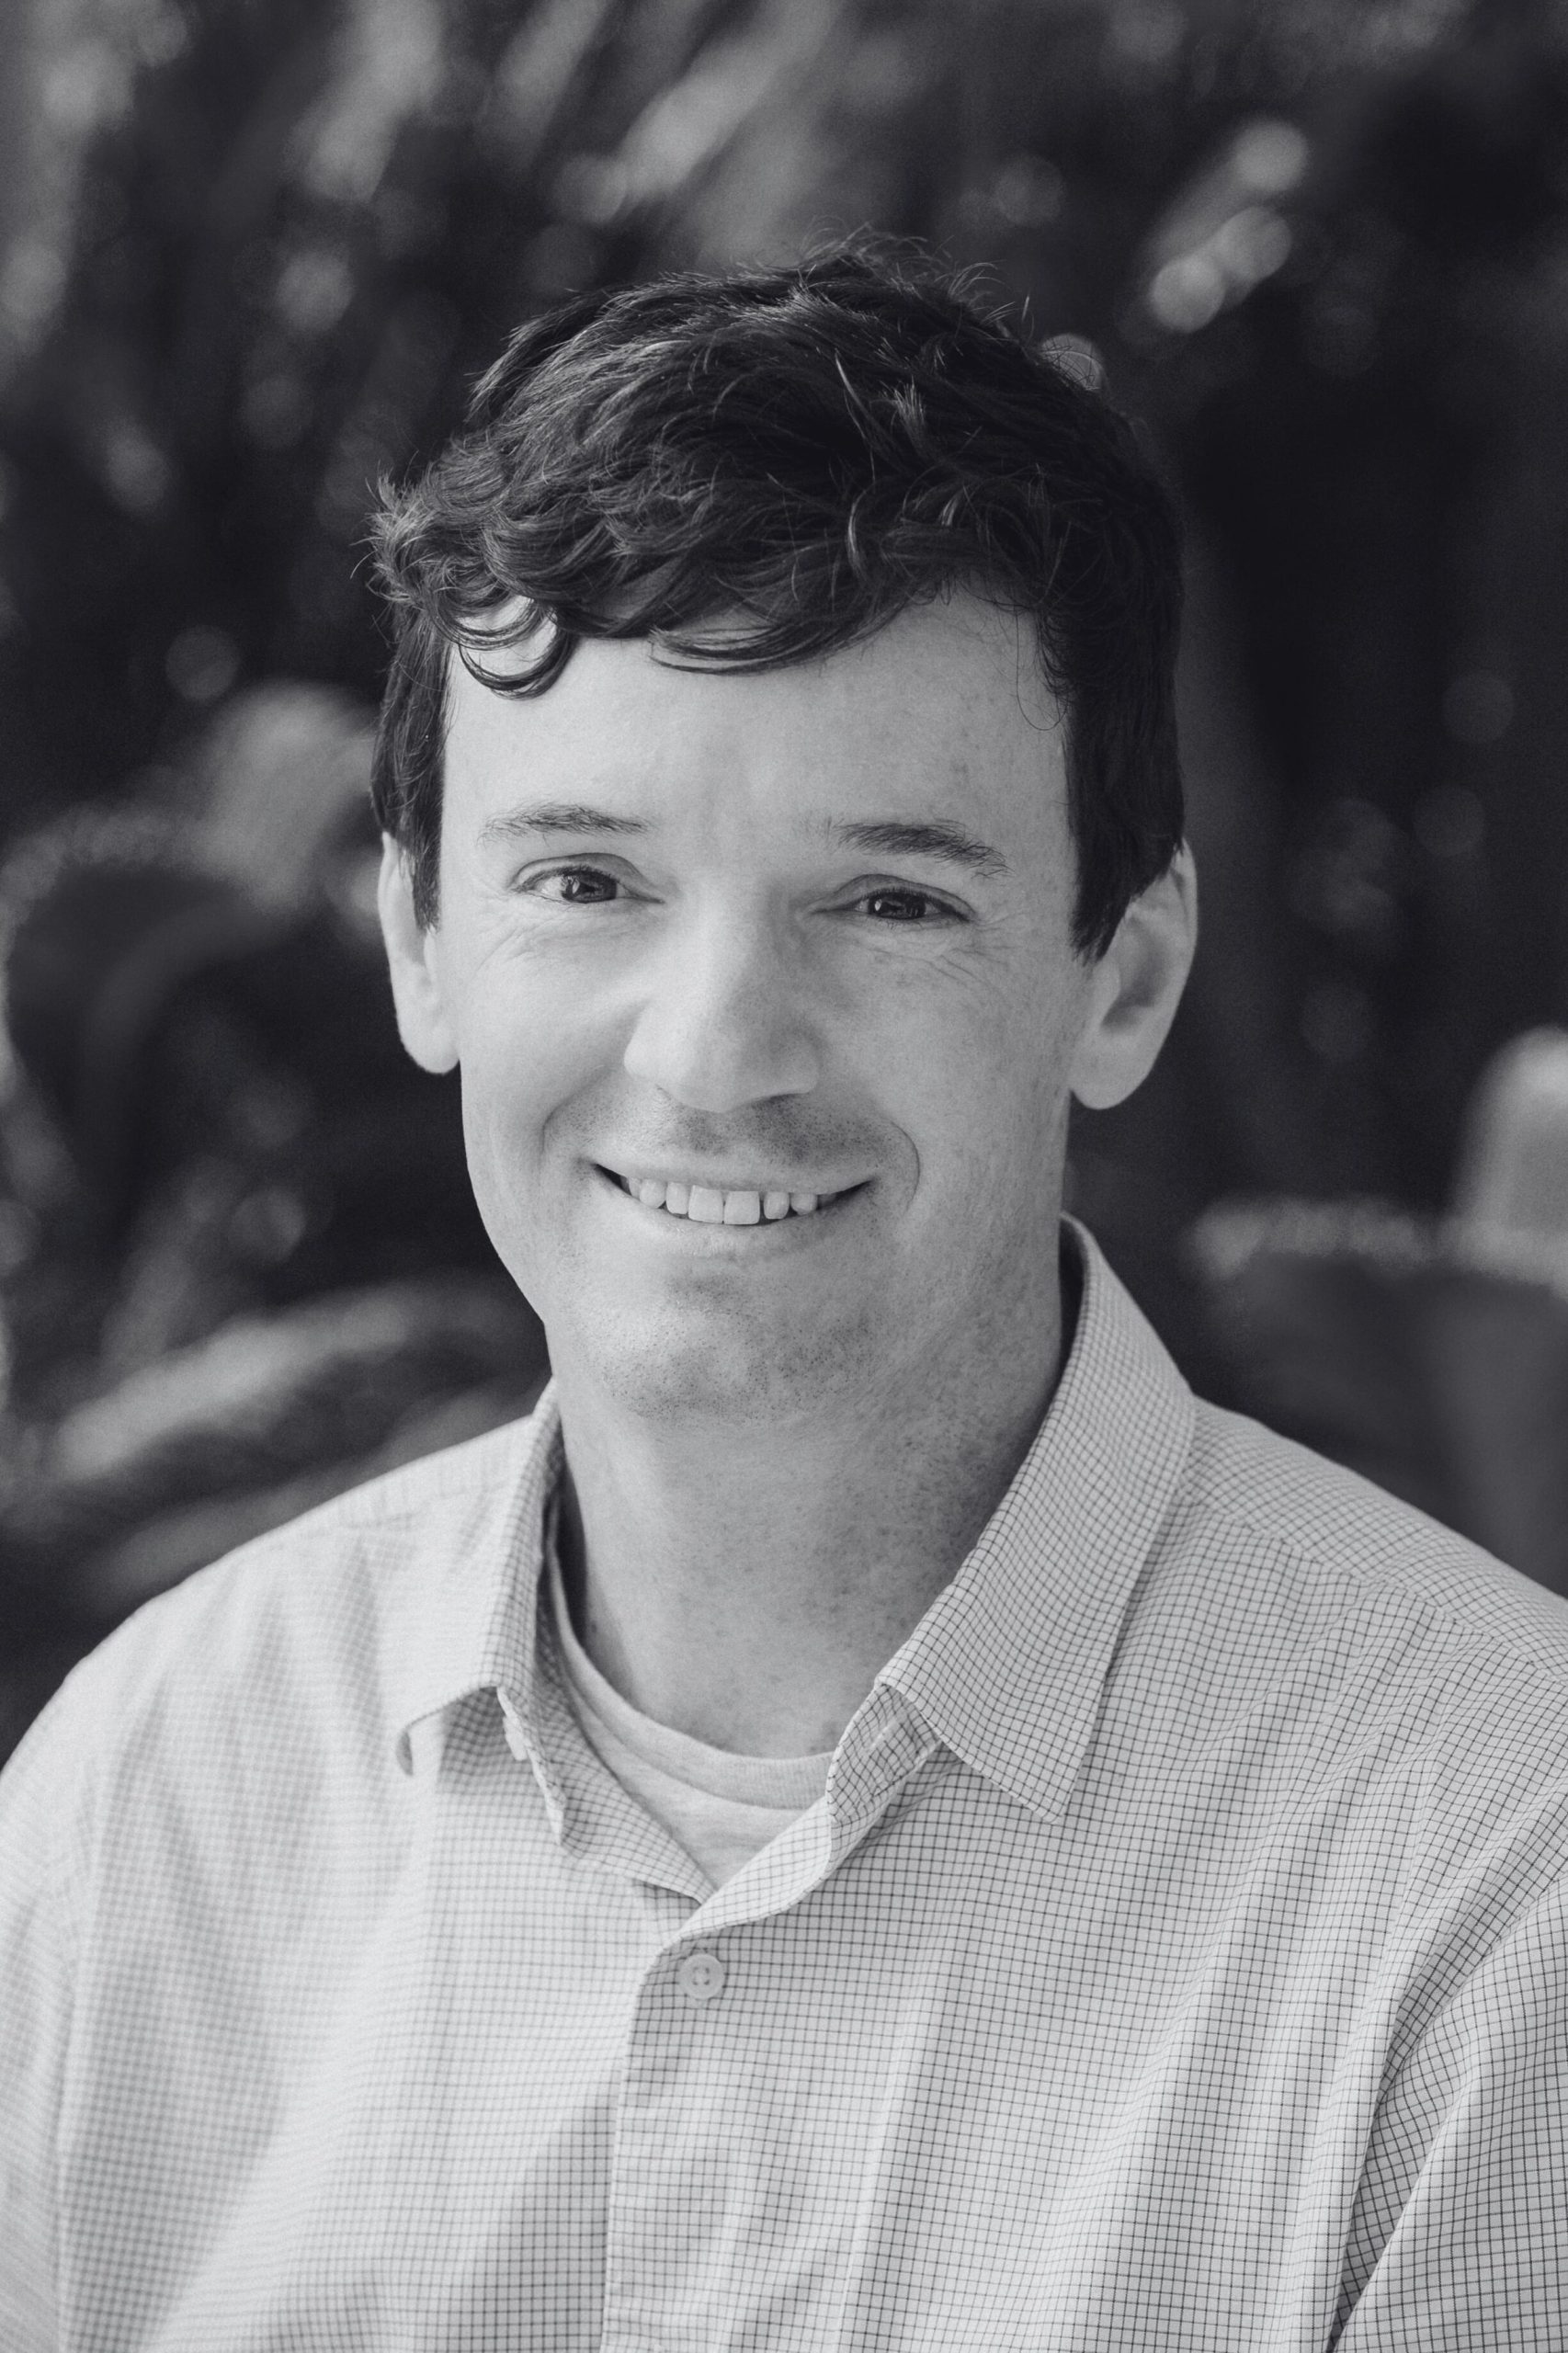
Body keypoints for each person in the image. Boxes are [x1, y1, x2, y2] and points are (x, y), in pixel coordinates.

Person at [2, 247, 1565, 2353]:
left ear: (1127, 976)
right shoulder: (145, 1794)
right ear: (421, 939)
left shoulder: (1501, 1880)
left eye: (890, 896)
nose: (718, 1047)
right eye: (586, 879)